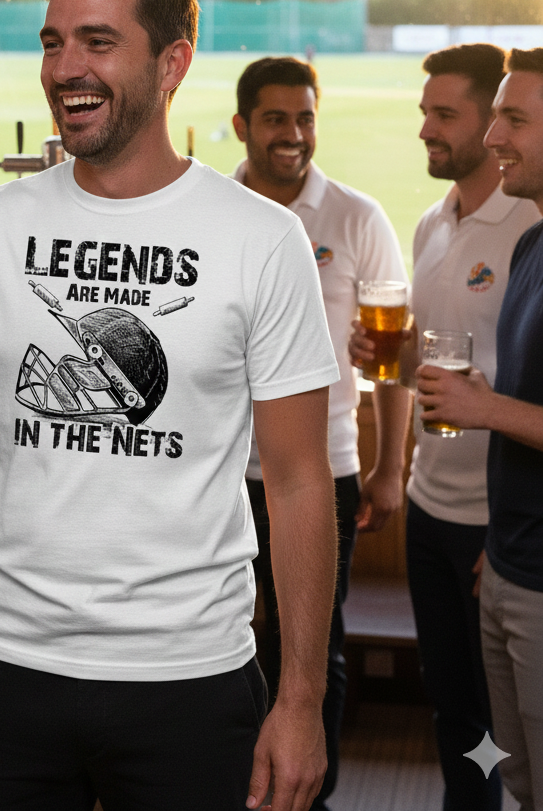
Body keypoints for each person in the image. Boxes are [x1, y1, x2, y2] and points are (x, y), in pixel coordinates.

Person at [0, 0, 340, 811]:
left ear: (172, 62)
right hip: (3, 666)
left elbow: (297, 482)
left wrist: (301, 701)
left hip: (190, 674)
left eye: (98, 42)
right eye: (52, 42)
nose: (66, 68)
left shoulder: (259, 237)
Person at [351, 43, 538, 811]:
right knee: (455, 708)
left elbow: (498, 391)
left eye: (447, 114)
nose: (428, 127)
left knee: (509, 729)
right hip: (435, 509)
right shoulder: (432, 221)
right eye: (425, 112)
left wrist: (498, 534)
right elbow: (423, 363)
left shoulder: (524, 222)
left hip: (498, 526)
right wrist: (380, 360)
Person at [230, 55, 411, 811]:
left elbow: (392, 350)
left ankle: (314, 796)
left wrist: (387, 467)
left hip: (324, 465)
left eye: (305, 117)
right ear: (242, 126)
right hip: (220, 471)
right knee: (226, 640)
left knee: (312, 646)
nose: (294, 134)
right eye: (276, 118)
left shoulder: (357, 217)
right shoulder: (211, 211)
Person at [414, 46, 543, 811]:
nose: (497, 137)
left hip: (521, 563)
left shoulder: (519, 228)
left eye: (515, 118)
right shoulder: (533, 246)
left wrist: (485, 409)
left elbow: (498, 402)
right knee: (509, 767)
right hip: (504, 556)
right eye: (493, 115)